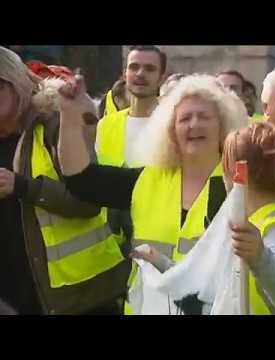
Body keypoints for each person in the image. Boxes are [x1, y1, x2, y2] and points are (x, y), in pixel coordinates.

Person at [56, 74, 249, 314]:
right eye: (185, 118)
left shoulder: (241, 184)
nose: (194, 124)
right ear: (171, 130)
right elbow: (81, 180)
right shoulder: (146, 180)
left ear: (223, 126)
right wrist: (69, 117)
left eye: (205, 117)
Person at [0, 46, 129, 315]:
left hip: (80, 298)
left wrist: (23, 186)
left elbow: (89, 202)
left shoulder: (53, 125)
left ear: (14, 81)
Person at [134, 122, 275, 315]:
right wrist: (161, 263)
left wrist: (260, 257)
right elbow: (208, 283)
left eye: (223, 165)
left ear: (236, 173)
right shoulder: (241, 219)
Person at [95, 46, 167, 255]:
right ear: (123, 73)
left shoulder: (173, 122)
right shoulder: (106, 125)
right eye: (134, 67)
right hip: (112, 241)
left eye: (150, 69)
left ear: (162, 77)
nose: (140, 74)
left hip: (157, 235)